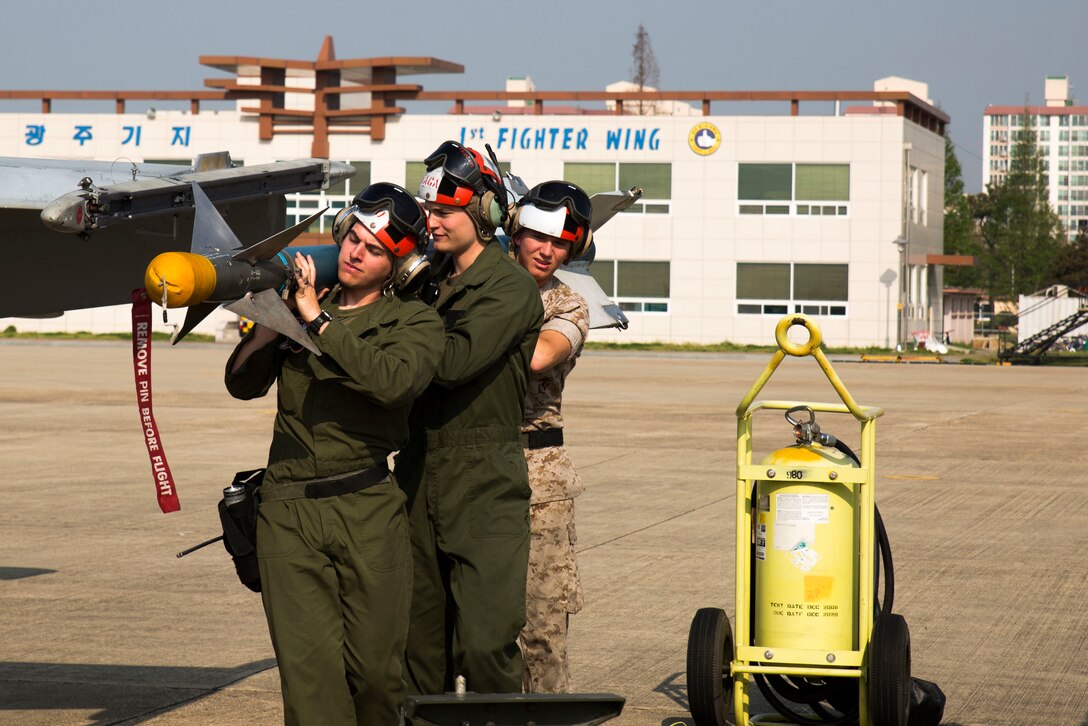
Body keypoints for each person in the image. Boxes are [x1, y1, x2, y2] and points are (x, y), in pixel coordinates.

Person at [224, 182, 443, 725]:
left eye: (372, 248)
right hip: (289, 513)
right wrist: (277, 318)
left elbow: (392, 383)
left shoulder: (415, 322)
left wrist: (319, 324)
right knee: (309, 683)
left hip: (366, 508)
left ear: (398, 264)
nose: (353, 253)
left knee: (376, 677)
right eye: (351, 239)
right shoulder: (302, 309)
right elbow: (241, 383)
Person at [395, 140, 544, 695]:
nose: (430, 222)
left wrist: (404, 320)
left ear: (483, 214)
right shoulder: (424, 276)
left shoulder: (509, 288)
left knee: (485, 644)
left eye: (443, 213)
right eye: (428, 210)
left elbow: (454, 361)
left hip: (483, 479)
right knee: (417, 648)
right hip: (415, 471)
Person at [507, 181, 593, 693]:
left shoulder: (569, 304)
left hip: (540, 478)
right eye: (537, 236)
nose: (546, 250)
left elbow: (539, 355)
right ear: (515, 233)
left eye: (560, 243)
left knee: (541, 626)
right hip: (470, 465)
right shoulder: (465, 286)